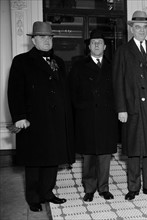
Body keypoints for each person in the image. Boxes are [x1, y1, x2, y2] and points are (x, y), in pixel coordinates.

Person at [7, 21, 75, 212]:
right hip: (33, 121)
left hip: (54, 121)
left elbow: (64, 92)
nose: (47, 40)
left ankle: (47, 192)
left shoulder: (59, 62)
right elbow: (15, 92)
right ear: (34, 40)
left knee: (52, 160)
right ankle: (33, 197)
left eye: (49, 37)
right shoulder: (21, 61)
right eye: (42, 37)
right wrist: (19, 116)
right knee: (35, 161)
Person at [112, 10, 147, 200]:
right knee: (135, 148)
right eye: (137, 27)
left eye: (144, 27)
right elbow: (117, 81)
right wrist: (121, 108)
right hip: (132, 108)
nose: (141, 31)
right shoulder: (123, 51)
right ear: (131, 29)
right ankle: (134, 187)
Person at [69, 30, 118, 202]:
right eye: (93, 42)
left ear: (105, 46)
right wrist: (80, 111)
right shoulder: (78, 66)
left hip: (107, 117)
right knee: (89, 155)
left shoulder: (113, 65)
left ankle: (103, 188)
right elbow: (72, 93)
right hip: (86, 117)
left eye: (100, 42)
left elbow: (117, 92)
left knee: (105, 155)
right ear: (89, 46)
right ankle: (89, 188)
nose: (96, 45)